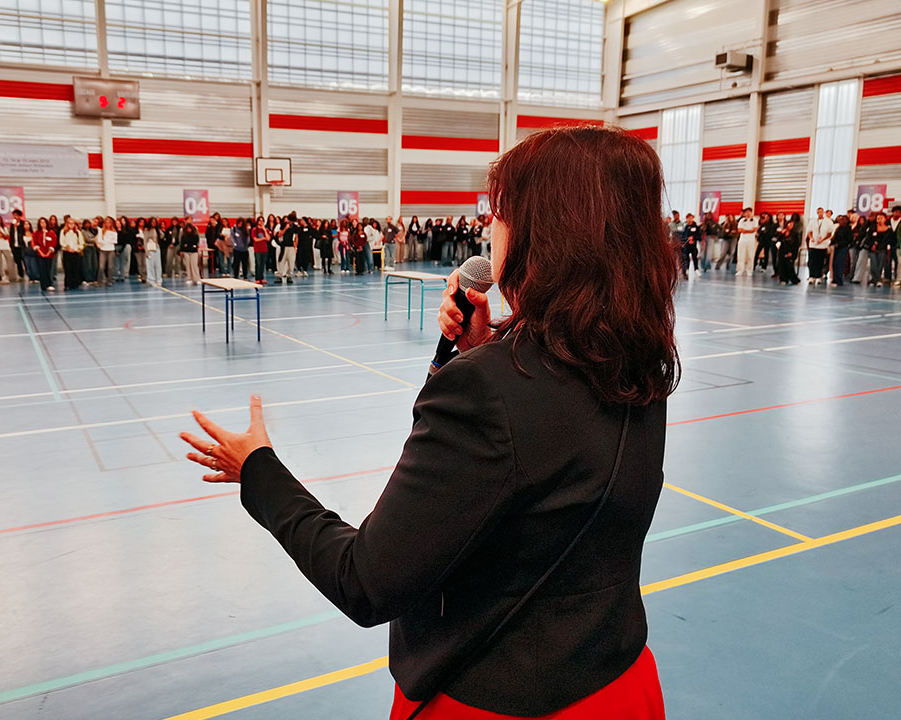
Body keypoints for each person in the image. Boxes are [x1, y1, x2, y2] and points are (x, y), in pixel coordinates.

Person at [179, 127, 674, 720]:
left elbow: (366, 581)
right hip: (619, 683)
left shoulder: (487, 389)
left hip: (497, 700)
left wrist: (258, 471)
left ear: (544, 233)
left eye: (500, 215)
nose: (490, 229)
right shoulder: (638, 361)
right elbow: (548, 470)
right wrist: (482, 351)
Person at [805, 207, 834, 286]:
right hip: (813, 245)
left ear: (823, 212)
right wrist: (811, 238)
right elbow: (809, 231)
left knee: (820, 262)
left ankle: (818, 276)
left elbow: (830, 233)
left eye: (821, 212)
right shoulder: (813, 221)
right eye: (818, 212)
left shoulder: (828, 222)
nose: (820, 213)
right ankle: (811, 276)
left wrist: (823, 239)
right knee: (812, 261)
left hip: (822, 245)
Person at [32, 217, 57, 292]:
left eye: (44, 222)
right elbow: (34, 243)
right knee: (42, 270)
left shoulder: (51, 233)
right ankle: (43, 285)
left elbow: (53, 243)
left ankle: (49, 284)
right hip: (40, 254)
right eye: (41, 222)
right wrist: (41, 252)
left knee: (48, 270)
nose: (43, 224)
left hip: (49, 255)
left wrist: (48, 253)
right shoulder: (36, 233)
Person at [0, 215, 16, 284]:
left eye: (0, 220)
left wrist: (2, 235)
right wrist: (0, 236)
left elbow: (7, 236)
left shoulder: (4, 228)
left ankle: (12, 276)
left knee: (10, 259)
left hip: (5, 245)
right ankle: (2, 276)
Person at [60, 216, 84, 290]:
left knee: (75, 268)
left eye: (73, 223)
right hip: (67, 252)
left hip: (75, 252)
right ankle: (68, 284)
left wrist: (77, 249)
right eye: (69, 223)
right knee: (68, 269)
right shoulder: (63, 232)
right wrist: (67, 248)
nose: (71, 225)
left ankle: (75, 283)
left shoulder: (78, 232)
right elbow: (61, 242)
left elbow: (81, 242)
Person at [829, 214, 852, 287]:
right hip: (836, 248)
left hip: (843, 248)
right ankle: (834, 279)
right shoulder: (838, 228)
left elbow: (849, 240)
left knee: (839, 264)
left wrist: (839, 244)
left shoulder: (848, 229)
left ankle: (839, 280)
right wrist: (831, 243)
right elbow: (835, 237)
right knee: (834, 263)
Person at [735, 207, 757, 276]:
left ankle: (749, 270)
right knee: (741, 255)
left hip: (751, 240)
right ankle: (740, 270)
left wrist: (745, 231)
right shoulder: (742, 220)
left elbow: (754, 229)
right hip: (742, 240)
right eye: (746, 212)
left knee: (750, 255)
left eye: (749, 212)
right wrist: (748, 230)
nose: (747, 213)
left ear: (751, 212)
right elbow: (739, 230)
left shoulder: (755, 220)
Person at [9, 209, 29, 281]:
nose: (15, 217)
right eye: (14, 215)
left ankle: (29, 274)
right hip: (15, 246)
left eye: (16, 215)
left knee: (25, 260)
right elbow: (11, 235)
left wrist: (17, 227)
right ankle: (21, 275)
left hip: (22, 245)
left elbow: (23, 233)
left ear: (19, 216)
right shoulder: (12, 225)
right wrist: (11, 245)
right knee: (18, 261)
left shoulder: (23, 224)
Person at [97, 216, 117, 286]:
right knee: (101, 266)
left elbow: (115, 241)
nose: (108, 224)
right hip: (103, 249)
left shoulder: (114, 231)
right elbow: (99, 240)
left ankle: (109, 281)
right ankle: (100, 281)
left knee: (110, 266)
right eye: (106, 222)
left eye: (109, 222)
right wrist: (107, 240)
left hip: (111, 249)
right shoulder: (101, 230)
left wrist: (106, 240)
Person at [179, 220, 201, 285]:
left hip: (194, 252)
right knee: (188, 265)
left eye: (190, 228)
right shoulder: (184, 236)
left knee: (194, 265)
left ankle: (197, 279)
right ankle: (189, 278)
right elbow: (182, 244)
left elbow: (196, 243)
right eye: (187, 229)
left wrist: (189, 245)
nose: (189, 230)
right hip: (186, 252)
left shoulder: (195, 235)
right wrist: (181, 250)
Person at [250, 216, 271, 284]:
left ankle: (262, 278)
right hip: (257, 249)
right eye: (260, 221)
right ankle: (257, 278)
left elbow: (268, 238)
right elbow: (255, 239)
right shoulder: (254, 230)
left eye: (262, 221)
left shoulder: (266, 230)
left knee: (263, 264)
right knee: (258, 264)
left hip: (264, 249)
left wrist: (264, 230)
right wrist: (263, 239)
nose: (261, 222)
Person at [680, 213, 700, 279]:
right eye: (688, 218)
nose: (690, 219)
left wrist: (693, 238)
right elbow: (683, 236)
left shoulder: (696, 227)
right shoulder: (686, 227)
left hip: (693, 246)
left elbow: (699, 236)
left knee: (694, 257)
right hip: (687, 246)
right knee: (686, 258)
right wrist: (687, 239)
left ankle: (696, 269)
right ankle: (687, 269)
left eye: (691, 218)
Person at [144, 218, 162, 287]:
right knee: (150, 265)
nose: (154, 223)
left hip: (157, 248)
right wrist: (146, 251)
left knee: (158, 265)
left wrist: (158, 229)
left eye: (155, 222)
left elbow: (162, 235)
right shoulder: (147, 230)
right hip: (150, 249)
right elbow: (145, 241)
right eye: (152, 222)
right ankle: (151, 280)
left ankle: (159, 280)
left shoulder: (157, 230)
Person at [82, 218, 99, 286]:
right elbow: (88, 239)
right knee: (88, 264)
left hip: (93, 247)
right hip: (87, 248)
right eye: (86, 224)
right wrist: (96, 239)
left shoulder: (91, 231)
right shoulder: (83, 231)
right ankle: (88, 279)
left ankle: (94, 278)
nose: (88, 225)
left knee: (94, 264)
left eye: (89, 223)